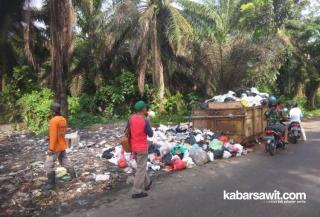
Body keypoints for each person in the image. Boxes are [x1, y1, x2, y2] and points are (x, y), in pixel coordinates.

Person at [43, 103, 76, 190]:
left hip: (55, 147)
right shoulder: (63, 119)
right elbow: (62, 132)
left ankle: (51, 183)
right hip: (62, 145)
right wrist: (49, 137)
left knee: (48, 165)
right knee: (64, 161)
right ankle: (73, 176)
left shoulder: (53, 121)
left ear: (53, 111)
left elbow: (54, 135)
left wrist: (51, 148)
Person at [127, 100, 153, 199]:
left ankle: (147, 183)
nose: (146, 109)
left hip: (133, 147)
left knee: (141, 166)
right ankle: (137, 191)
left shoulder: (131, 118)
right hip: (142, 147)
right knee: (141, 169)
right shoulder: (145, 120)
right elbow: (150, 134)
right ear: (143, 109)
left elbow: (127, 130)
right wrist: (149, 122)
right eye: (145, 107)